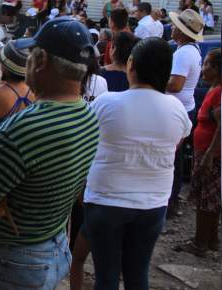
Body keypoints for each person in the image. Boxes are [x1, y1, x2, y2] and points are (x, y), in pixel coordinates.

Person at [0, 17, 99, 290]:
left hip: (6, 261)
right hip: (48, 245)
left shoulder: (27, 126)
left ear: (41, 62)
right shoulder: (86, 114)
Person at [84, 38, 191, 290]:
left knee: (106, 277)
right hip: (153, 204)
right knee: (138, 274)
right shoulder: (176, 109)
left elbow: (86, 142)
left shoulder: (106, 102)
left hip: (106, 200)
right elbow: (177, 142)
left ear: (131, 64)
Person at [177, 48, 222, 257]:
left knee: (206, 200)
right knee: (209, 199)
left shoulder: (221, 92)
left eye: (206, 65)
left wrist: (209, 155)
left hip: (211, 155)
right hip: (207, 152)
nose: (202, 69)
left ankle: (200, 242)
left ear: (218, 68)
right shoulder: (215, 89)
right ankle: (211, 239)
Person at [166, 9, 204, 217]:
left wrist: (153, 79)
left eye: (175, 26)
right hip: (185, 107)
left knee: (171, 158)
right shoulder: (192, 49)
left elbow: (175, 85)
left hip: (177, 108)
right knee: (176, 158)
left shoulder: (183, 53)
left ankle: (170, 201)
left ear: (181, 32)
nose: (171, 28)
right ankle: (173, 198)